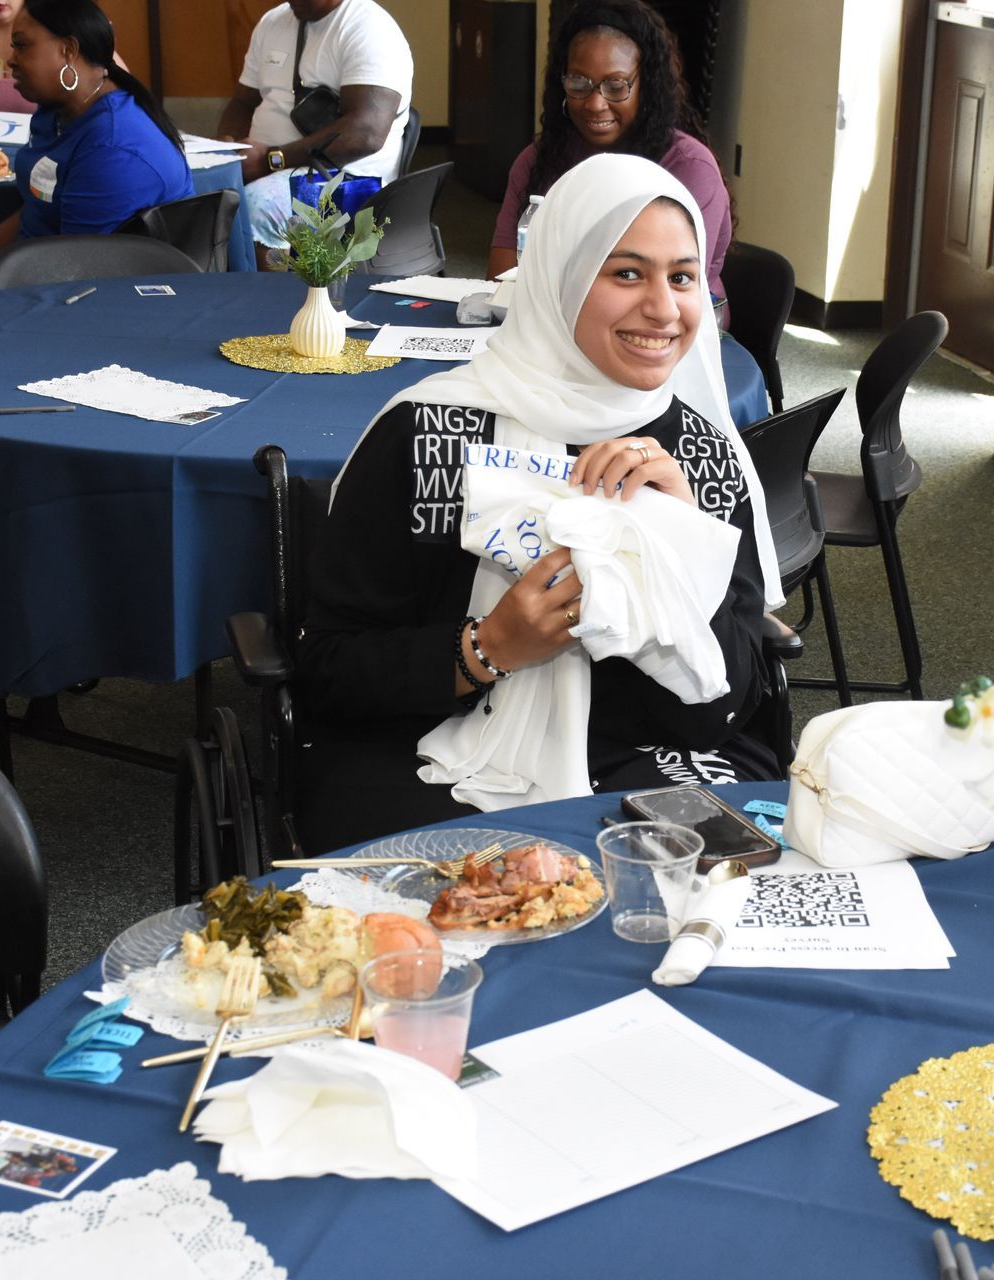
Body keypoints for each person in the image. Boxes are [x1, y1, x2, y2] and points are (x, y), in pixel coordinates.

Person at [294, 154, 781, 853]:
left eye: (681, 277)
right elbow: (328, 674)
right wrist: (485, 648)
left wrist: (683, 540)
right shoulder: (431, 432)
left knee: (705, 913)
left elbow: (722, 709)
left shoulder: (699, 457)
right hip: (430, 743)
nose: (663, 308)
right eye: (626, 273)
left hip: (645, 751)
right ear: (560, 279)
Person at [0, 0, 192, 305]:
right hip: (40, 281)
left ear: (68, 50)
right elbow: (41, 208)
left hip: (101, 304)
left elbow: (75, 267)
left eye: (22, 46)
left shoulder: (113, 147)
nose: (11, 60)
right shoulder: (58, 112)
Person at [487, 0, 732, 310]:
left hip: (670, 332)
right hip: (554, 326)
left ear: (648, 87)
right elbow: (500, 276)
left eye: (616, 86)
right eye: (579, 83)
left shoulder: (688, 168)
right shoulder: (539, 160)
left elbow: (673, 294)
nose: (595, 103)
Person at [215, 0, 412, 265]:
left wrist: (269, 160)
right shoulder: (272, 22)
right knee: (189, 196)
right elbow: (242, 102)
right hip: (267, 167)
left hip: (348, 179)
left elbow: (365, 134)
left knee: (255, 207)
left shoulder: (370, 29)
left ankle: (272, 302)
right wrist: (226, 149)